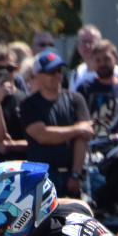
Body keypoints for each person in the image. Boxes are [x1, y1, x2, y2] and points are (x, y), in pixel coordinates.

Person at [19, 50, 92, 197]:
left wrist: (76, 174)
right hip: (42, 176)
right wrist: (77, 129)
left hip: (74, 174)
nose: (57, 75)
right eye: (51, 72)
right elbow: (43, 135)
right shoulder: (29, 104)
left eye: (59, 70)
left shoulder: (76, 99)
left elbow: (85, 135)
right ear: (37, 75)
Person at [76, 39, 118, 137]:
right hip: (93, 148)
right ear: (93, 62)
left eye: (106, 59)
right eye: (98, 60)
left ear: (116, 58)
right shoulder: (84, 89)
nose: (102, 64)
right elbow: (78, 123)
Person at [0, 46, 28, 161]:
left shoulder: (26, 100)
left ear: (17, 69)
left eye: (10, 68)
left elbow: (36, 140)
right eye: (0, 69)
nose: (6, 73)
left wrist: (12, 145)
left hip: (23, 164)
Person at [68, 24, 118, 92]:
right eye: (83, 42)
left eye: (91, 41)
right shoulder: (77, 73)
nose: (87, 46)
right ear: (78, 47)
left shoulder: (115, 71)